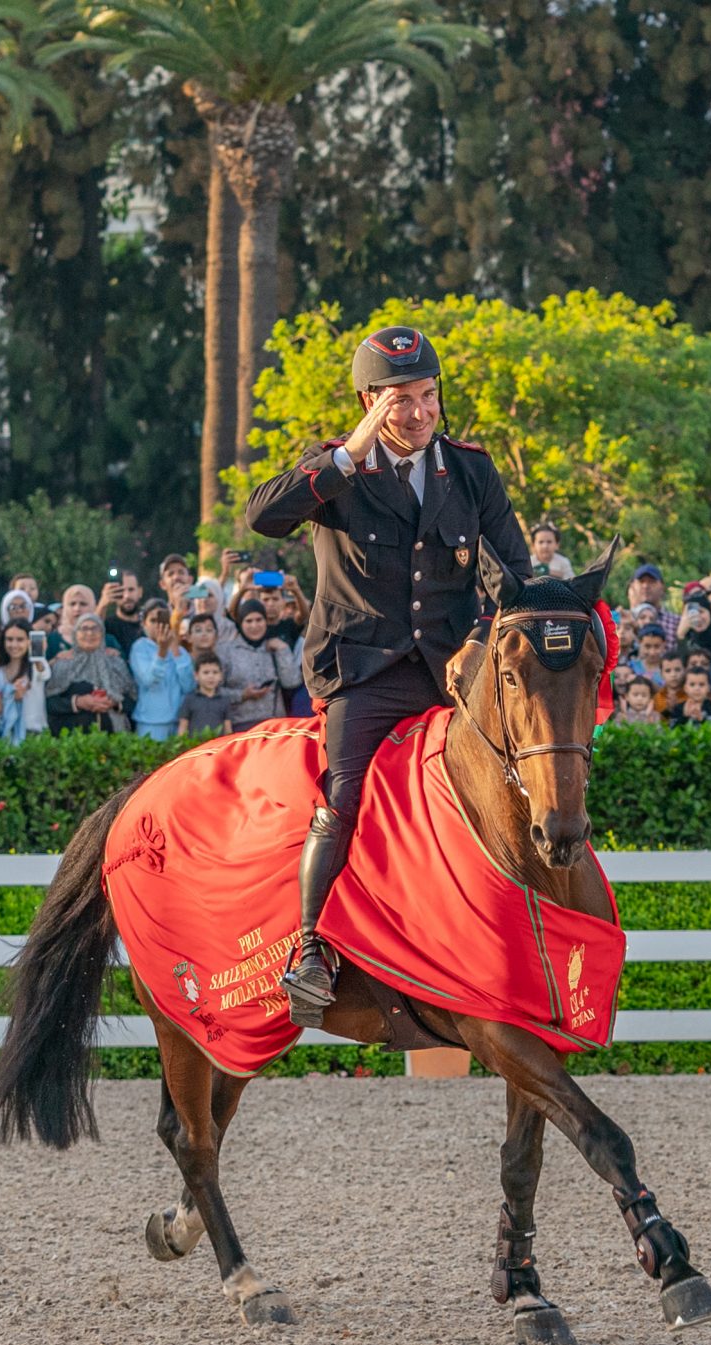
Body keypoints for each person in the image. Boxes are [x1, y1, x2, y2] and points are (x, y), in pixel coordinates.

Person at [245, 325, 535, 1023]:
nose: (418, 411)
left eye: (428, 395)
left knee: (523, 783)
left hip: (451, 674)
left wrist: (494, 636)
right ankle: (312, 949)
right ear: (370, 402)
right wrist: (348, 454)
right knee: (343, 795)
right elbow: (263, 516)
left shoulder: (469, 471)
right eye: (400, 400)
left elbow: (516, 575)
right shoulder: (335, 470)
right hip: (364, 673)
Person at [46, 614, 136, 732]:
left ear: (103, 634)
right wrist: (78, 702)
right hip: (71, 739)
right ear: (75, 634)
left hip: (114, 740)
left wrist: (114, 702)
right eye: (84, 628)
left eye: (95, 628)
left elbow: (132, 699)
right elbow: (50, 703)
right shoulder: (63, 665)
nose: (89, 633)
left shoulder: (116, 663)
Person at [217, 599, 298, 728]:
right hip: (239, 725)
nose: (254, 626)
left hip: (274, 725)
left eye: (259, 620)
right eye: (249, 621)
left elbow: (292, 682)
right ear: (240, 623)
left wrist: (283, 650)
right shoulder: (227, 652)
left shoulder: (274, 647)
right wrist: (243, 695)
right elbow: (215, 692)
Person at [128, 599, 196, 741]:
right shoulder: (140, 647)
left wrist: (175, 649)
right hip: (150, 723)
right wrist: (162, 652)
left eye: (162, 620)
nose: (158, 625)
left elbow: (189, 686)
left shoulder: (180, 650)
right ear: (143, 623)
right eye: (153, 620)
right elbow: (149, 680)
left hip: (179, 723)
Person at [0, 620, 51, 743]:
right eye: (9, 639)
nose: (14, 645)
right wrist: (12, 696)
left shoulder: (36, 667)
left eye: (20, 640)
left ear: (29, 642)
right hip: (6, 735)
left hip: (34, 734)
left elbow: (43, 672)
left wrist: (38, 653)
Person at [177, 654, 240, 737]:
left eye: (215, 672)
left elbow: (228, 729)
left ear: (221, 676)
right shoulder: (190, 699)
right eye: (206, 673)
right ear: (196, 676)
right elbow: (183, 726)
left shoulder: (224, 700)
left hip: (217, 747)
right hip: (196, 746)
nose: (211, 676)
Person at [628, 565, 680, 642]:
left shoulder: (676, 622)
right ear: (632, 586)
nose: (645, 586)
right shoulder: (623, 621)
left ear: (662, 587)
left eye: (652, 581)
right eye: (641, 581)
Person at [100, 569, 145, 655]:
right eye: (121, 591)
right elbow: (91, 632)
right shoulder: (108, 625)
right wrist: (102, 605)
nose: (126, 596)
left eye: (131, 590)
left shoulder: (149, 624)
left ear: (140, 592)